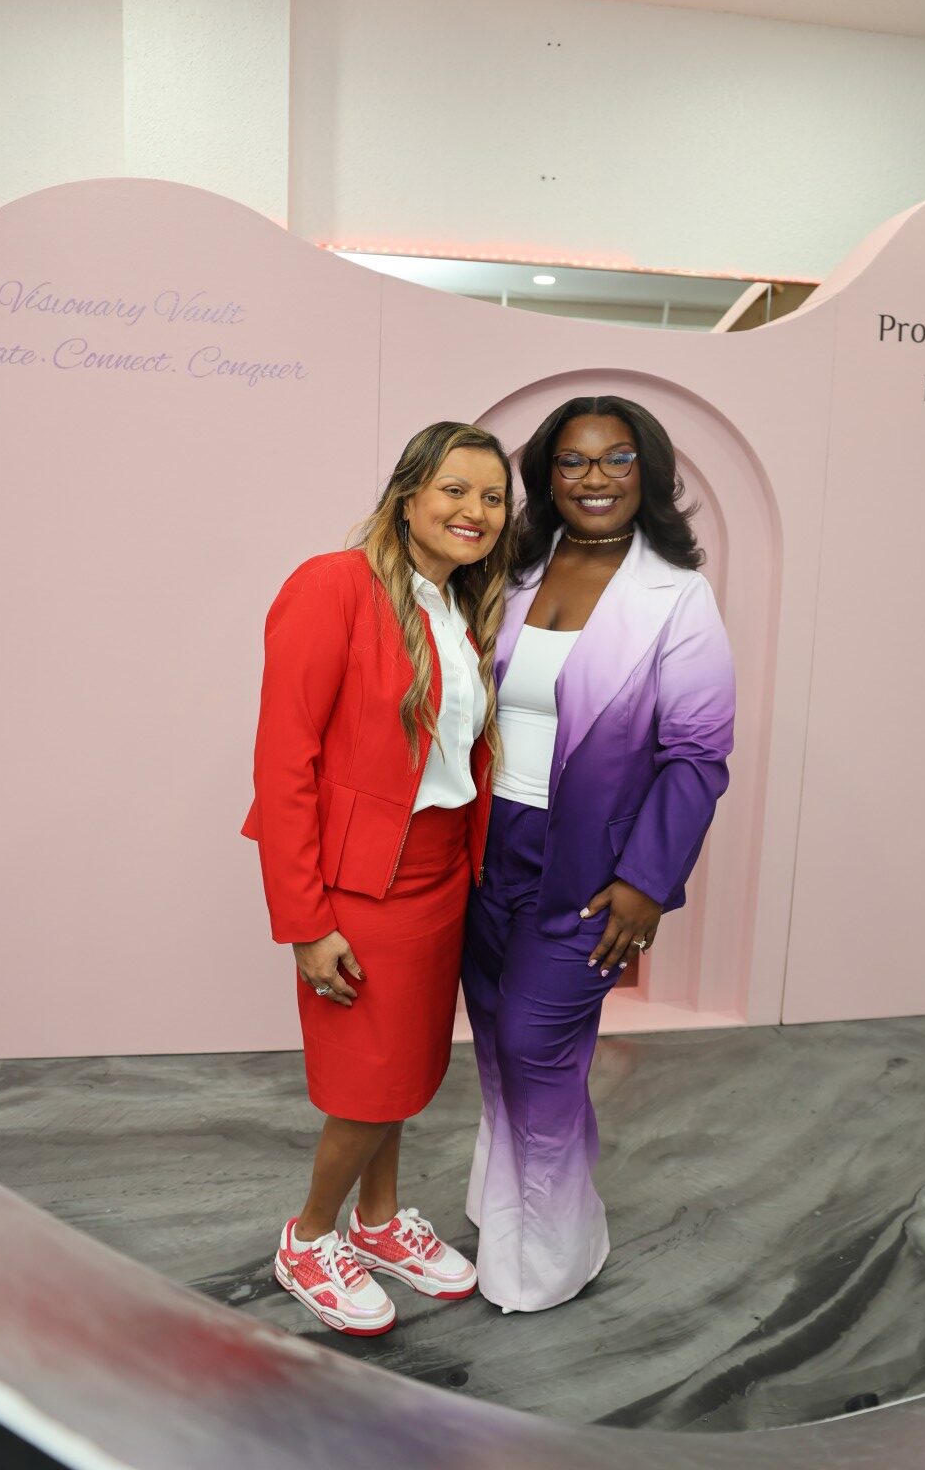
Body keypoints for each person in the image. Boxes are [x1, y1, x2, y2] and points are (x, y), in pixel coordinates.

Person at [461, 395, 736, 1312]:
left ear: (646, 472)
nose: (595, 478)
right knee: (495, 1041)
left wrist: (645, 882)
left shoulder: (677, 596)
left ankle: (549, 1255)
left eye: (616, 459)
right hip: (486, 846)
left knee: (536, 1047)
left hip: (590, 866)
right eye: (573, 461)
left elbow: (697, 754)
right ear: (547, 476)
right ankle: (501, 1210)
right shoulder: (511, 570)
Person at [242, 421, 513, 1336]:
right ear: (407, 496)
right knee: (367, 1083)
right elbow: (283, 763)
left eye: (491, 497)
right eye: (454, 490)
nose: (474, 511)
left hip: (441, 874)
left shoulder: (459, 602)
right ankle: (310, 1237)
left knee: (405, 1072)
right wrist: (304, 920)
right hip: (360, 885)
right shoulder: (332, 585)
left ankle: (378, 1221)